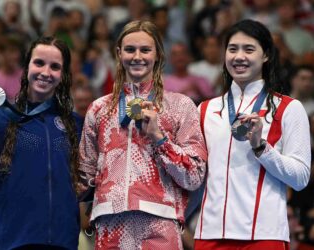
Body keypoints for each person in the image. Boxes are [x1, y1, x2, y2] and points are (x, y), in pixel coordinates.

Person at [79, 20, 207, 250]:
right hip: (109, 219)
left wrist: (159, 137)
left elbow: (195, 176)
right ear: (119, 54)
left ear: (157, 54)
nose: (137, 56)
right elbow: (84, 175)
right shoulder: (99, 109)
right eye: (130, 49)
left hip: (160, 220)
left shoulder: (180, 106)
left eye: (145, 50)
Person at [194, 19, 311, 250]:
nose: (239, 57)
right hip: (210, 232)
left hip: (264, 234)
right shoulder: (205, 109)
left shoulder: (288, 108)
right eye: (232, 48)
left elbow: (300, 179)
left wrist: (261, 147)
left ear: (266, 55)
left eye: (249, 49)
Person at [0, 36, 84, 250]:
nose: (46, 72)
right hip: (9, 242)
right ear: (27, 66)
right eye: (39, 63)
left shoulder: (74, 124)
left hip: (61, 241)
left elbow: (85, 185)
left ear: (64, 74)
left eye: (55, 66)